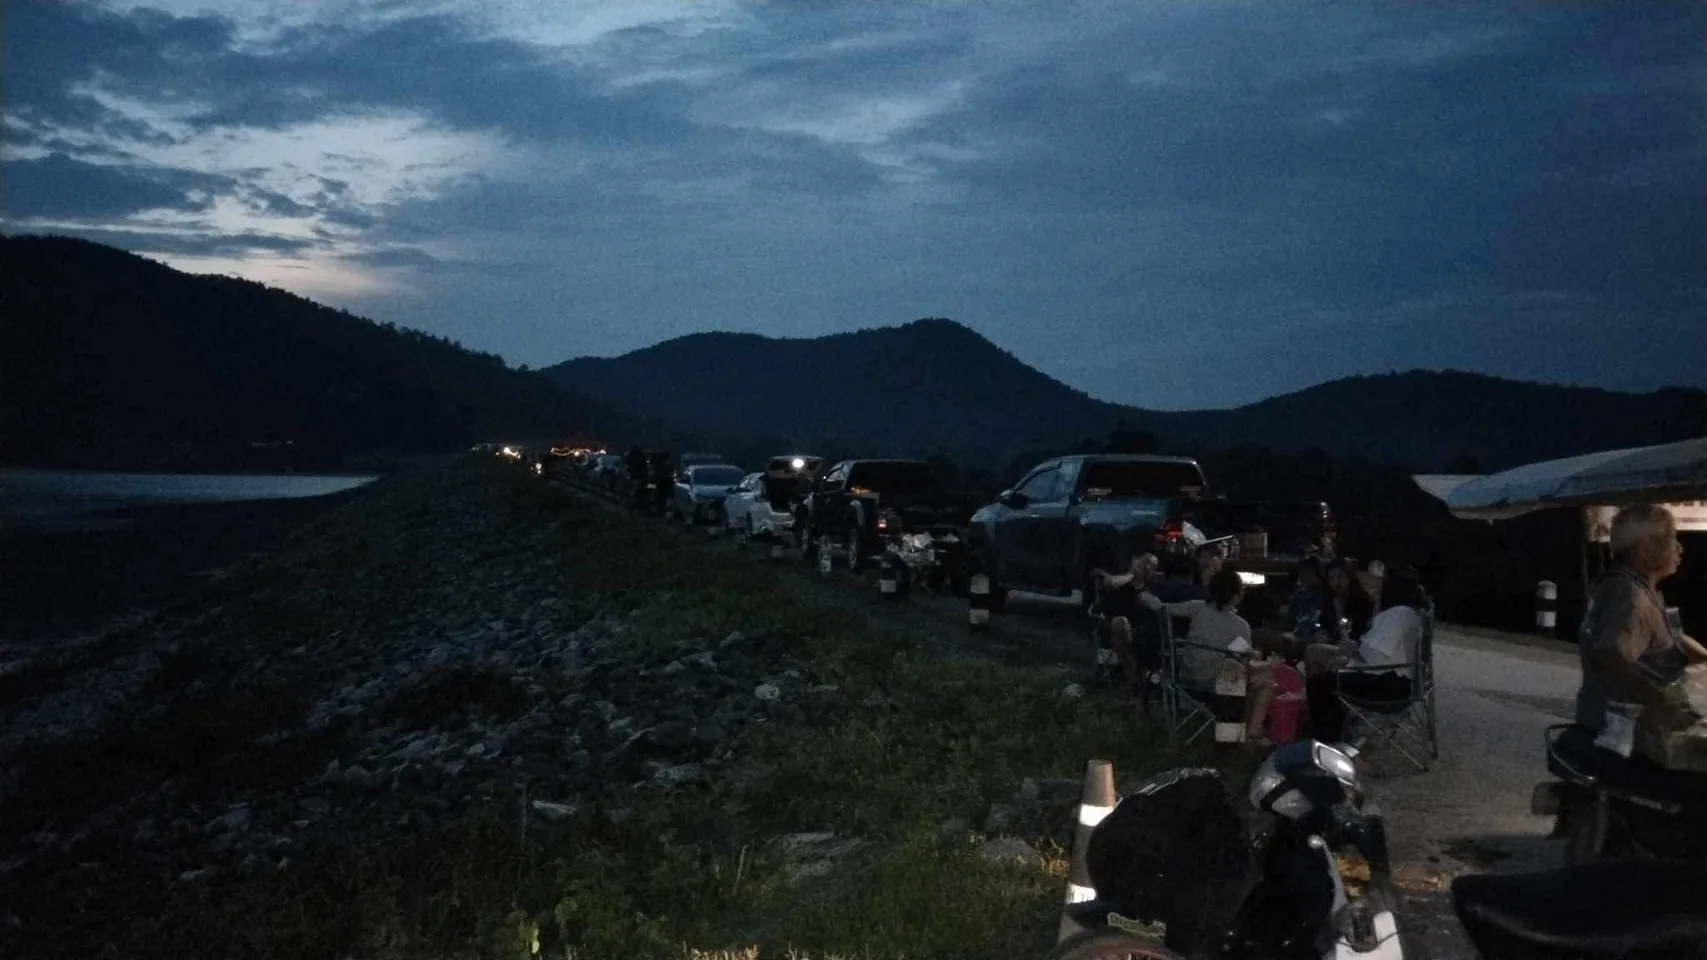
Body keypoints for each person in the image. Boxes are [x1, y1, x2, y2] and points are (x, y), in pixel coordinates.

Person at [1575, 504, 1707, 733]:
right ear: (1645, 548)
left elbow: (1667, 638)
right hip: (1624, 737)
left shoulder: (1637, 589)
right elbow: (1610, 652)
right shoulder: (1629, 595)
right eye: (1672, 539)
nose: (1680, 548)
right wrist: (1661, 701)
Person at [1304, 566, 1431, 743]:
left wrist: (1352, 650)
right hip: (1396, 681)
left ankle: (1327, 737)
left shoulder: (1396, 615)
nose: (1375, 587)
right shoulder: (1407, 613)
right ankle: (1334, 730)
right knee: (1328, 670)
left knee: (1320, 682)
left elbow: (1375, 658)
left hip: (1387, 686)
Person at [1179, 569, 1278, 745]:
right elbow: (1246, 666)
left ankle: (1243, 727)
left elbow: (1161, 608)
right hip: (1214, 685)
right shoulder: (1240, 626)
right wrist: (1270, 664)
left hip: (1185, 679)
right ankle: (1252, 730)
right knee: (1266, 682)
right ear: (1236, 596)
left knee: (1238, 672)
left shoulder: (1197, 609)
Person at [1318, 558, 1375, 643]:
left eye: (1339, 577)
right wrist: (1322, 633)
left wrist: (1340, 613)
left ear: (1349, 577)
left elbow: (1354, 633)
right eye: (1331, 578)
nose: (1336, 583)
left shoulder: (1363, 603)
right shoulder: (1330, 600)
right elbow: (1323, 624)